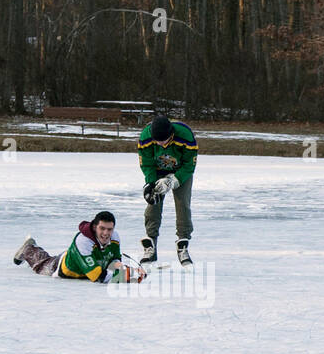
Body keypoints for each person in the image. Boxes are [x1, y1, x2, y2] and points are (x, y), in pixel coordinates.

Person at [13, 210, 145, 282]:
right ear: (94, 227)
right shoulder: (83, 241)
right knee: (40, 264)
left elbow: (113, 261)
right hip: (63, 269)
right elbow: (98, 276)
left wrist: (128, 269)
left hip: (85, 263)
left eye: (109, 229)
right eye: (102, 228)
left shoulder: (115, 236)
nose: (106, 233)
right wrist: (131, 276)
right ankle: (28, 248)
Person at [138, 115, 197, 265]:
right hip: (157, 171)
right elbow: (146, 162)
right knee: (153, 202)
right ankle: (151, 244)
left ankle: (183, 244)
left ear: (171, 134)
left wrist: (174, 180)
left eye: (164, 141)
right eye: (157, 141)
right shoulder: (145, 136)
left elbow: (189, 164)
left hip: (180, 172)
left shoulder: (186, 135)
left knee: (182, 203)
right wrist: (150, 182)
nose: (161, 144)